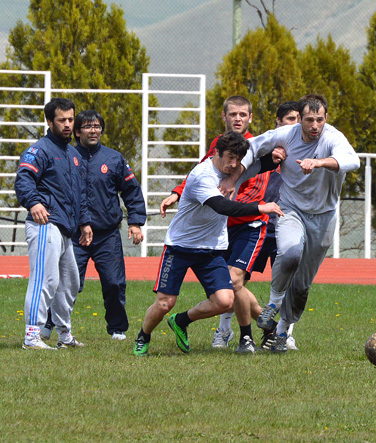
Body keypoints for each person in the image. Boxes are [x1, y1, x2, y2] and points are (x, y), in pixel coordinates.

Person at [133, 131, 283, 356]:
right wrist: (261, 207)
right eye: (229, 157)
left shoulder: (234, 169)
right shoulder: (202, 175)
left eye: (238, 159)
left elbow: (261, 165)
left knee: (224, 300)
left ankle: (181, 321)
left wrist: (281, 153)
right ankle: (143, 336)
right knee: (165, 304)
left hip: (211, 249)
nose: (233, 165)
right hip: (180, 247)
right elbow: (224, 207)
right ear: (216, 153)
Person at [234, 94, 360, 353]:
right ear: (299, 119)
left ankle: (282, 333)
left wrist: (319, 162)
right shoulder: (286, 134)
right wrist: (233, 178)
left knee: (302, 285)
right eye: (309, 120)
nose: (315, 125)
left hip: (324, 217)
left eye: (320, 120)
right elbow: (253, 147)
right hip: (291, 211)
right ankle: (273, 304)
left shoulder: (332, 137)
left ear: (326, 118)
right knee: (290, 254)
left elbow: (353, 161)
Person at [41, 110, 146, 342]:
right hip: (74, 235)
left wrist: (136, 222)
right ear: (77, 132)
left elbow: (131, 191)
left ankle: (117, 329)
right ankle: (48, 325)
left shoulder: (114, 159)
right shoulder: (66, 156)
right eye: (88, 127)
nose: (93, 130)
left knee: (114, 282)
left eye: (97, 126)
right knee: (65, 284)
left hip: (107, 235)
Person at [14, 97, 93, 350]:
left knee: (70, 283)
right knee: (44, 280)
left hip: (65, 229)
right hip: (45, 224)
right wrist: (34, 203)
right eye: (62, 120)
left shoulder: (72, 154)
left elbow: (78, 193)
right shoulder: (40, 150)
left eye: (71, 119)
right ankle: (31, 336)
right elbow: (24, 178)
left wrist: (84, 222)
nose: (68, 124)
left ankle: (64, 335)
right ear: (50, 122)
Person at [250, 101, 300, 350]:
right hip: (254, 226)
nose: (296, 124)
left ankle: (284, 334)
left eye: (299, 119)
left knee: (288, 280)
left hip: (284, 228)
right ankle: (229, 330)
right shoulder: (262, 148)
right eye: (290, 119)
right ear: (278, 122)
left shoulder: (305, 154)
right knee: (235, 281)